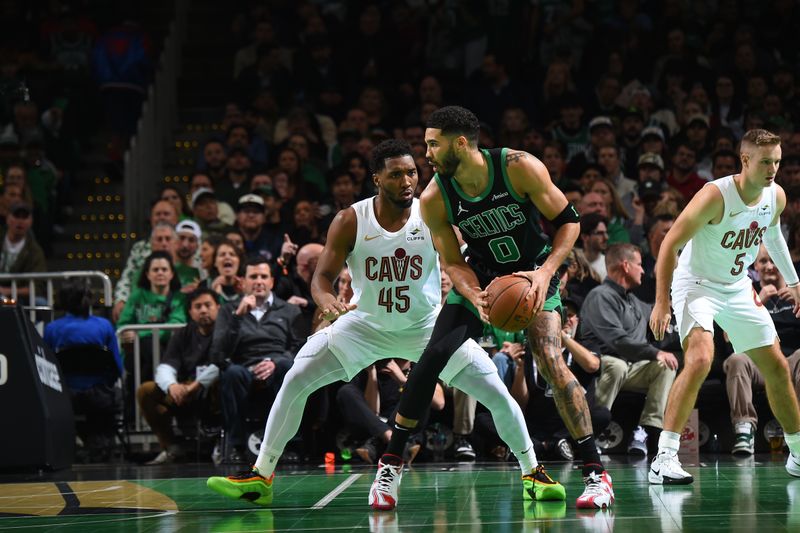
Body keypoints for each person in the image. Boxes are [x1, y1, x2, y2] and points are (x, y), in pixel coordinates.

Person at [206, 139, 566, 509]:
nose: (407, 181)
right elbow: (321, 277)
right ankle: (261, 475)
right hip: (365, 327)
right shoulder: (350, 219)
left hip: (426, 327)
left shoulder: (431, 213)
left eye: (412, 172)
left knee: (496, 393)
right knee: (297, 378)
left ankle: (532, 471)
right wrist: (327, 300)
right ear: (376, 178)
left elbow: (458, 264)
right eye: (396, 175)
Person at [377, 107, 613, 509]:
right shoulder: (435, 196)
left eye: (434, 143)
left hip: (533, 274)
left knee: (551, 359)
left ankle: (596, 473)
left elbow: (569, 222)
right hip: (483, 277)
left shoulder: (518, 167)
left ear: (461, 143)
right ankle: (390, 466)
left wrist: (545, 274)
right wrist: (472, 293)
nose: (426, 153)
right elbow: (452, 260)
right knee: (432, 355)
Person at [649, 129, 800, 484]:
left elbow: (773, 233)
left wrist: (793, 282)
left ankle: (797, 453)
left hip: (736, 286)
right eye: (766, 161)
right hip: (696, 284)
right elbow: (669, 243)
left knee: (777, 366)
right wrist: (661, 302)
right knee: (701, 357)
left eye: (777, 161)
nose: (773, 169)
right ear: (745, 160)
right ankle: (664, 458)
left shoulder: (774, 195)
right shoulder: (715, 196)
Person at [578, 243, 677, 456]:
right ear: (625, 265)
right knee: (618, 365)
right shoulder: (600, 296)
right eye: (639, 264)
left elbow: (660, 312)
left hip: (629, 367)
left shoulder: (633, 300)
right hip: (599, 365)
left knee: (664, 366)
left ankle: (647, 430)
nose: (643, 270)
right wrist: (654, 352)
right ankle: (591, 432)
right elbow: (618, 341)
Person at [208, 257, 304, 463]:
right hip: (243, 367)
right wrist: (238, 316)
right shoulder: (228, 310)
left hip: (277, 365)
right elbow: (217, 353)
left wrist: (276, 362)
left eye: (263, 276)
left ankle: (288, 445)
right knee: (231, 374)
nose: (259, 281)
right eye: (253, 276)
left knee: (289, 368)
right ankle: (236, 446)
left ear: (271, 282)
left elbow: (300, 348)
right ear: (242, 282)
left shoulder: (289, 311)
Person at [724, 246, 800, 455]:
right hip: (760, 363)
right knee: (737, 359)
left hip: (790, 363)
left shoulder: (797, 291)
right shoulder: (745, 292)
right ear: (755, 266)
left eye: (774, 261)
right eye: (764, 261)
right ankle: (744, 430)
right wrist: (759, 300)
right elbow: (728, 336)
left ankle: (798, 431)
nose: (769, 266)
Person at [137, 287, 220, 464]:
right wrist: (172, 386)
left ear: (218, 307)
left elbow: (222, 364)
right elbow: (166, 366)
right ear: (190, 312)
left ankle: (221, 445)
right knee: (146, 391)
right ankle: (171, 447)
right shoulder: (183, 334)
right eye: (197, 306)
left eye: (208, 305)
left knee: (225, 380)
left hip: (212, 391)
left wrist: (195, 385)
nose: (203, 310)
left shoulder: (225, 332)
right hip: (184, 392)